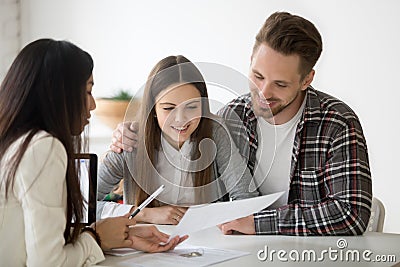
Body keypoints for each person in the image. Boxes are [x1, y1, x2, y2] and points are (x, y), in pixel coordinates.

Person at [110, 12, 372, 236]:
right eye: (257, 76)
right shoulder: (231, 117)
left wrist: (258, 224)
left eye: (280, 84)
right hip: (236, 250)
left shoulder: (336, 123)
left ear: (307, 80)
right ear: (250, 61)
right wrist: (132, 131)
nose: (263, 92)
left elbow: (350, 215)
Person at [0, 39, 185, 267]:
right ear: (57, 94)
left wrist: (114, 236)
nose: (93, 105)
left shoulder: (14, 143)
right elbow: (48, 263)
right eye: (88, 91)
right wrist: (96, 238)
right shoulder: (43, 148)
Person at [97, 55, 258, 225]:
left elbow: (247, 198)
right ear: (153, 108)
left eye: (191, 106)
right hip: (142, 246)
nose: (181, 119)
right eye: (168, 108)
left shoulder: (215, 133)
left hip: (208, 245)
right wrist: (144, 214)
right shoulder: (130, 141)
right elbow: (83, 207)